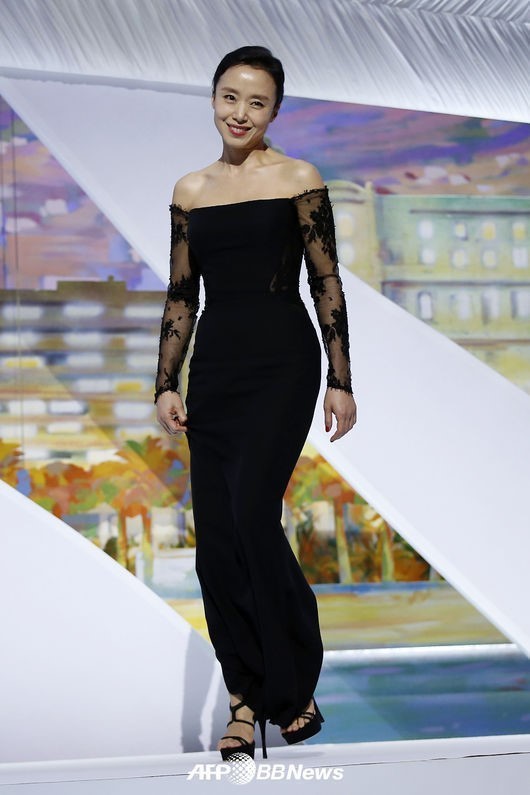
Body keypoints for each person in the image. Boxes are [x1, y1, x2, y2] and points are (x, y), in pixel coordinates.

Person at [154, 45, 357, 760]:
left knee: (250, 516)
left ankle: (294, 685)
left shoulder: (299, 178)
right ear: (213, 99)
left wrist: (341, 378)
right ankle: (244, 701)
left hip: (283, 364)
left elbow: (325, 281)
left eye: (257, 102)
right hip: (216, 371)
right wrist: (165, 383)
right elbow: (182, 295)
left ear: (275, 111)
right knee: (216, 541)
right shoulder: (189, 189)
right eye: (230, 97)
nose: (240, 113)